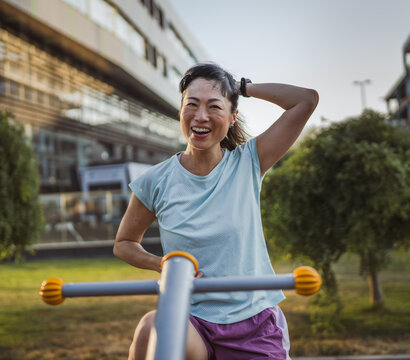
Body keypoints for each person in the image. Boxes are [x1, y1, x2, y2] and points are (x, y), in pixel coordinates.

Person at [113, 63, 318, 360]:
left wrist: (241, 88)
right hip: (191, 319)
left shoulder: (249, 161)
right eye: (192, 105)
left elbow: (306, 100)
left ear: (232, 117)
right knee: (150, 327)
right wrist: (162, 264)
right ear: (180, 111)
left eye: (214, 106)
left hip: (254, 324)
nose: (201, 116)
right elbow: (124, 244)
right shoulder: (154, 181)